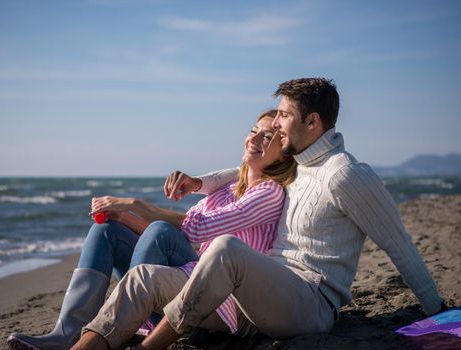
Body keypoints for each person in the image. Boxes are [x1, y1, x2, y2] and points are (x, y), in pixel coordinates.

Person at [72, 78, 446, 350]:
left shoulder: (345, 174)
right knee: (142, 279)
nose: (276, 124)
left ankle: (152, 346)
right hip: (257, 294)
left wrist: (441, 314)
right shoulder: (298, 166)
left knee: (225, 248)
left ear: (312, 122)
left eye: (283, 116)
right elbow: (240, 170)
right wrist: (199, 181)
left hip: (311, 303)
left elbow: (399, 245)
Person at [7, 110, 296, 350]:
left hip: (222, 296)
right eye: (254, 130)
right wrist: (123, 217)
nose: (254, 138)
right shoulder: (227, 188)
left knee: (157, 227)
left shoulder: (269, 193)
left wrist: (133, 204)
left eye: (267, 136)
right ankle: (67, 332)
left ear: (282, 154)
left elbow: (195, 229)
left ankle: (131, 322)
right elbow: (178, 237)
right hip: (193, 274)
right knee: (108, 229)